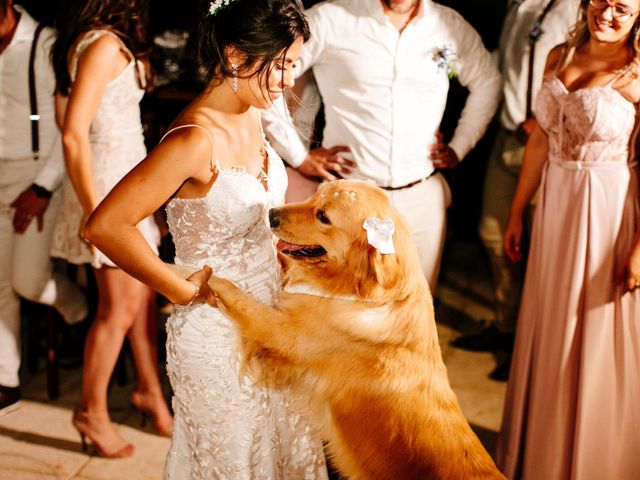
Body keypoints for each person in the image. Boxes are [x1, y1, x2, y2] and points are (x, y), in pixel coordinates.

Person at [84, 0, 327, 477]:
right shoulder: (193, 139)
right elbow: (105, 225)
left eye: (293, 65)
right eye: (279, 65)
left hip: (272, 322)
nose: (287, 80)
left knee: (284, 453)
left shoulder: (252, 113)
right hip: (218, 337)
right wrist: (177, 287)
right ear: (236, 56)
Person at [263, 0, 502, 291]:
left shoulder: (448, 25)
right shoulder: (332, 18)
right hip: (347, 204)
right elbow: (268, 72)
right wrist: (298, 155)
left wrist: (461, 143)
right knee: (341, 307)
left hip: (420, 197)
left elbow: (488, 81)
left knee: (415, 305)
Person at [497, 0, 640, 477]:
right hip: (557, 202)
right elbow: (540, 138)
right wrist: (518, 211)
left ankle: (594, 460)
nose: (608, 12)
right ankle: (543, 451)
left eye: (624, 6)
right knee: (551, 323)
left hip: (608, 210)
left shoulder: (637, 71)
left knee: (594, 329)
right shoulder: (559, 53)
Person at [50, 0, 171, 458]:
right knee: (118, 308)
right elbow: (72, 132)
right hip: (107, 189)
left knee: (139, 301)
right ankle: (91, 413)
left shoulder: (87, 40)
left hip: (124, 179)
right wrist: (93, 211)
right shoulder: (101, 45)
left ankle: (148, 392)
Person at [451, 0, 579, 381]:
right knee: (494, 235)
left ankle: (532, 344)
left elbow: (585, 70)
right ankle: (507, 326)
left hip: (544, 142)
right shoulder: (518, 5)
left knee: (539, 247)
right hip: (507, 137)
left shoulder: (576, 9)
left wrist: (549, 116)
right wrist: (443, 64)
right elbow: (503, 64)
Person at [0, 0, 87, 413]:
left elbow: (67, 127)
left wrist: (42, 186)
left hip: (35, 175)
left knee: (27, 282)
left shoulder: (44, 42)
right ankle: (6, 378)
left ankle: (79, 312)